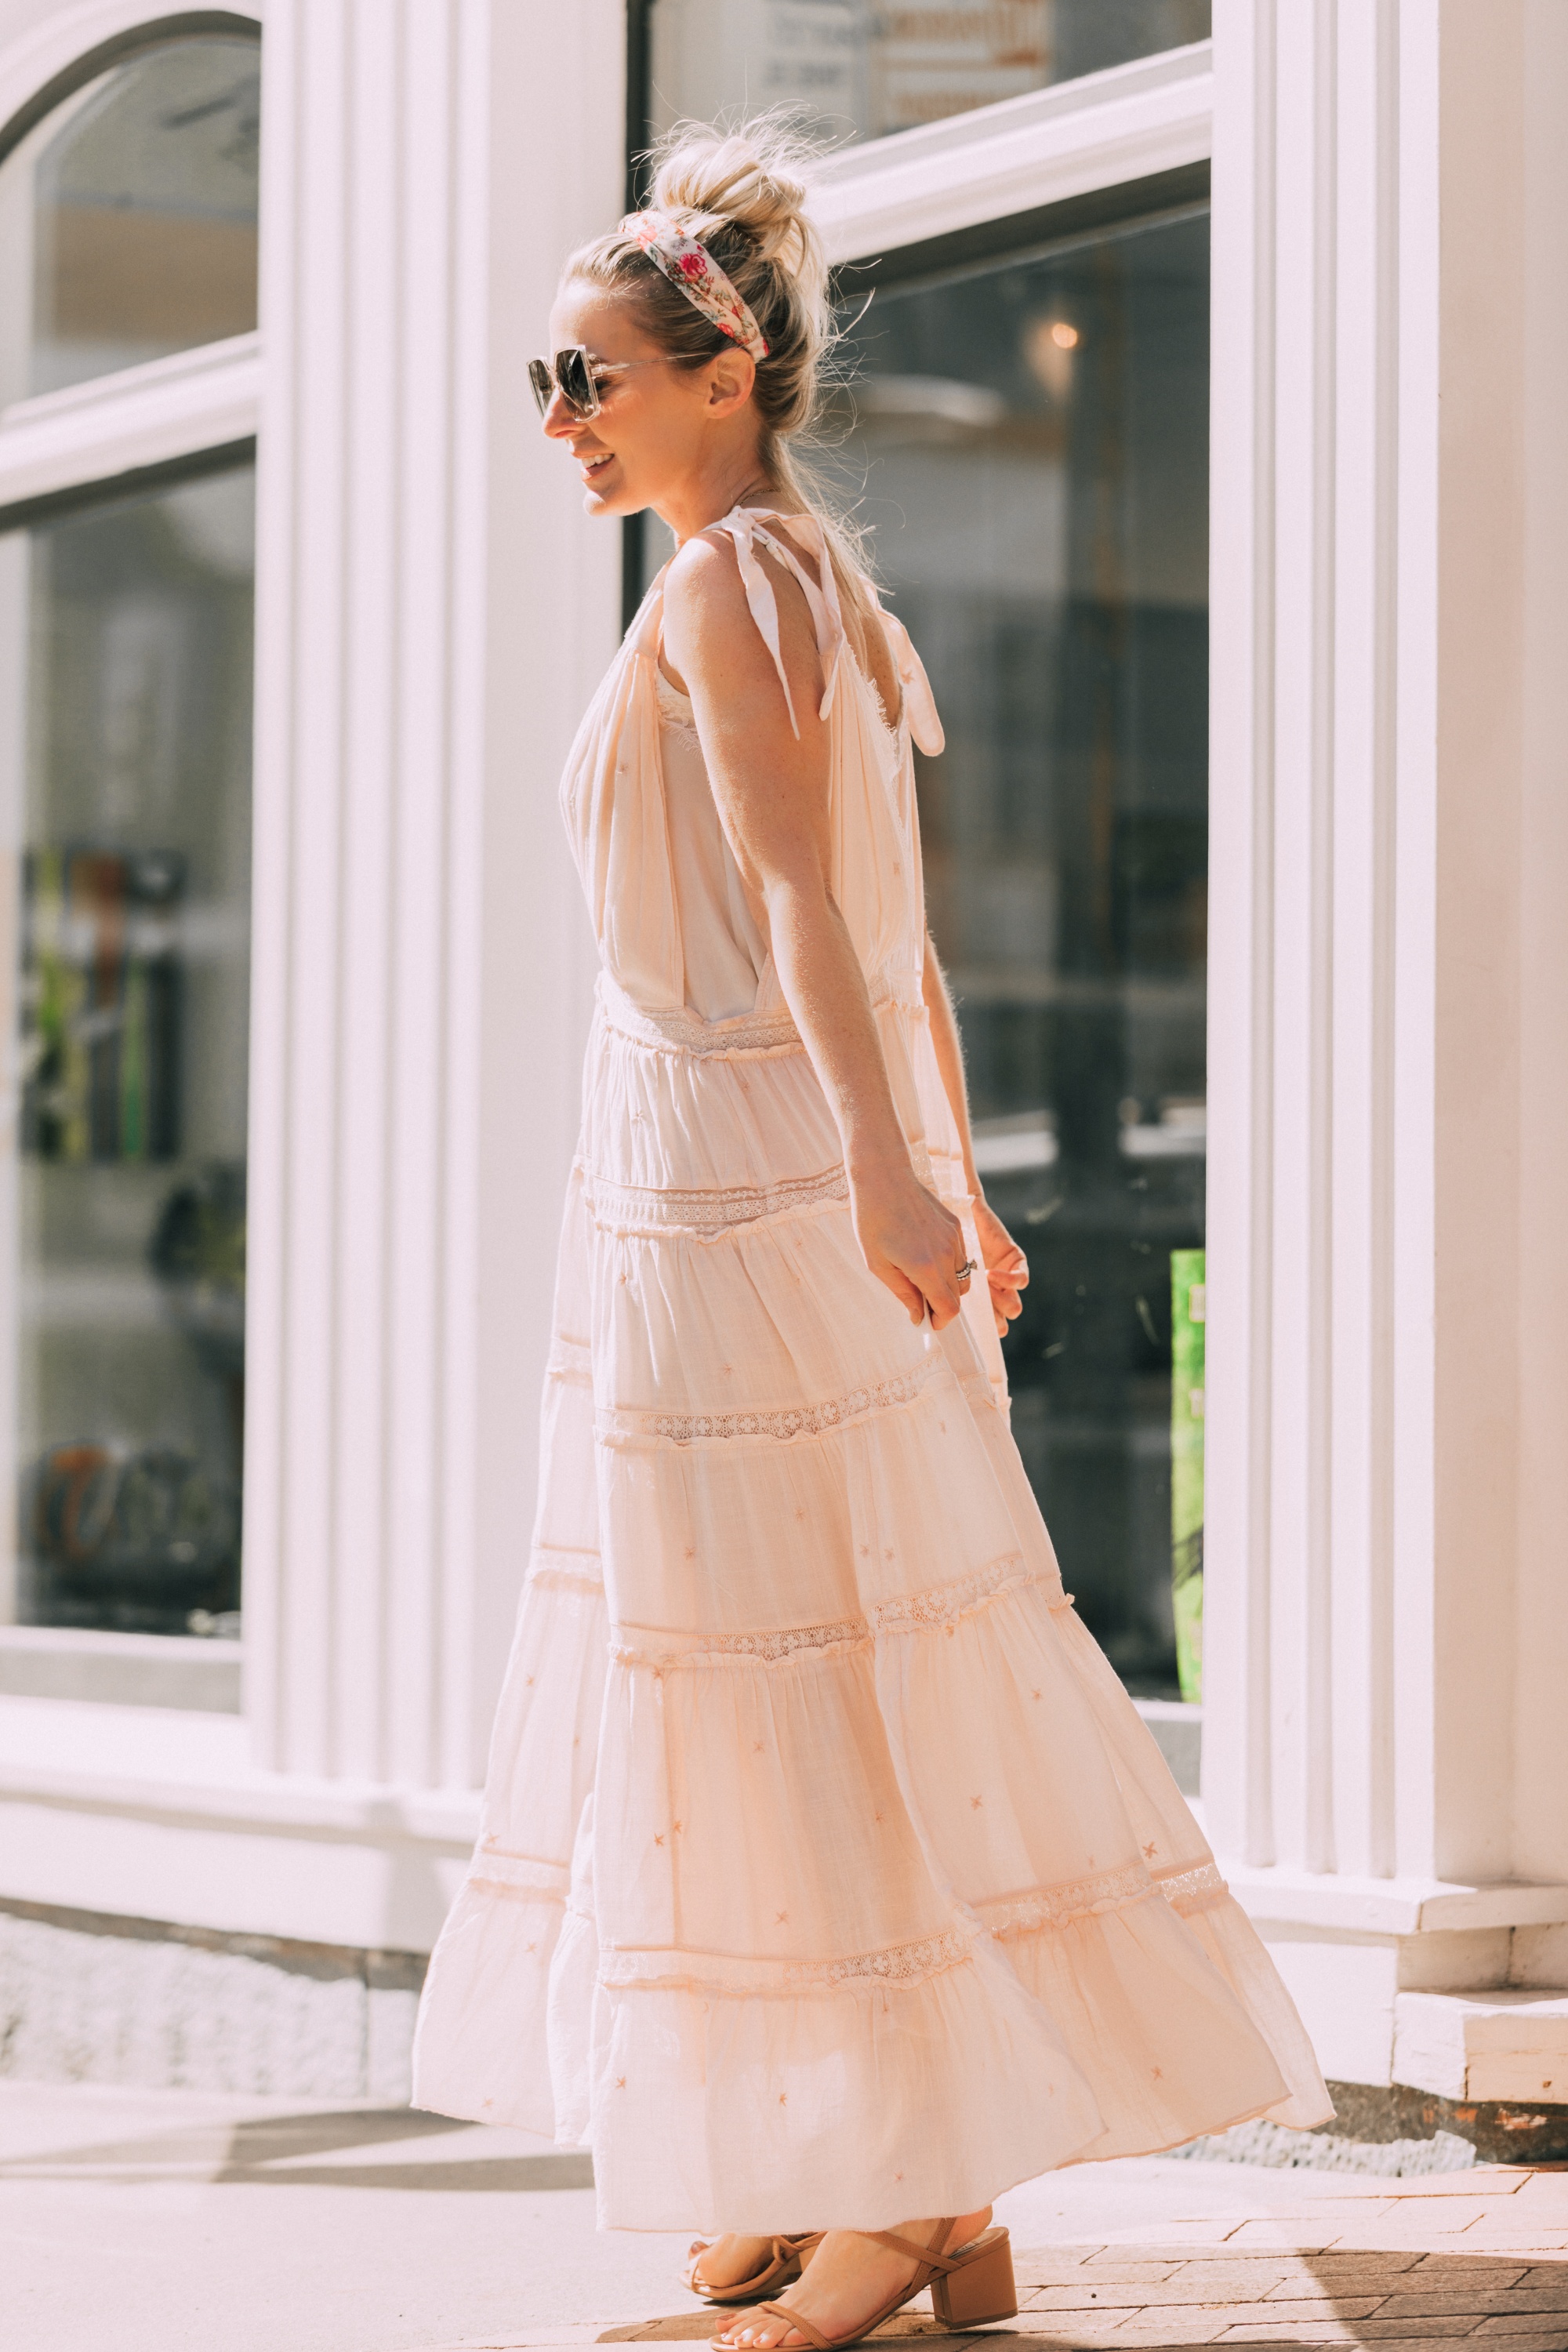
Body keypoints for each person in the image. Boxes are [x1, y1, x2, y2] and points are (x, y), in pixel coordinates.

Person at [412, 118, 1331, 2352]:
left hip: (733, 1187)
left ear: (716, 378)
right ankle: (864, 2168)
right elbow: (884, 933)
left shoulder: (732, 587)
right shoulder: (808, 580)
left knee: (777, 1683)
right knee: (807, 1667)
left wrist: (902, 1176)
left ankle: (904, 2185)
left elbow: (822, 912)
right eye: (546, 380)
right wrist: (928, 1163)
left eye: (588, 377)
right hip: (747, 1165)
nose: (561, 418)